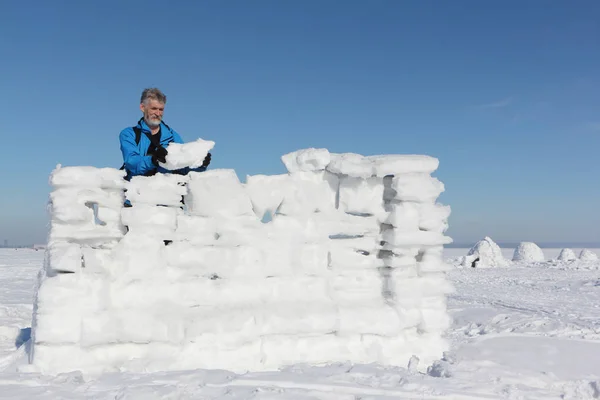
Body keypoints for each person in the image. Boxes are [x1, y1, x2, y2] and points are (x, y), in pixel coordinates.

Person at [119, 88, 211, 180]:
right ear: (142, 107)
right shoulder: (129, 134)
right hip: (139, 189)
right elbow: (131, 163)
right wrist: (153, 160)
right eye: (154, 109)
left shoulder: (173, 136)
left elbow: (182, 167)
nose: (158, 113)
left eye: (161, 109)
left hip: (166, 189)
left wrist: (200, 164)